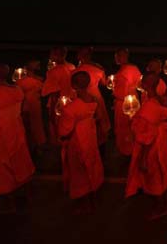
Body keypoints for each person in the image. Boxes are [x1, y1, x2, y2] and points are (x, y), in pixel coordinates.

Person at [126, 72, 167, 220]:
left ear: (146, 85)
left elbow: (146, 136)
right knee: (162, 173)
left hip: (152, 147)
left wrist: (142, 158)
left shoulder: (149, 106)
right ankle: (165, 204)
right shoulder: (159, 100)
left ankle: (161, 207)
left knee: (154, 177)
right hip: (160, 142)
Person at [0, 64, 35, 213]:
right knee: (20, 163)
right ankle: (26, 195)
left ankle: (10, 204)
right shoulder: (17, 90)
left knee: (3, 170)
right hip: (16, 131)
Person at [57, 71, 104, 214]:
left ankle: (85, 204)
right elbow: (98, 118)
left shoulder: (71, 109)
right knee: (91, 165)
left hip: (76, 142)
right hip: (90, 138)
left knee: (79, 173)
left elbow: (64, 131)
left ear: (73, 85)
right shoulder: (94, 100)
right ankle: (93, 198)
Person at [75, 47, 111, 150]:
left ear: (79, 56)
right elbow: (104, 83)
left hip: (81, 97)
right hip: (96, 95)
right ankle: (101, 146)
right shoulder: (98, 69)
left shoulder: (76, 71)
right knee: (99, 122)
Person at [113, 48, 142, 156]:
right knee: (123, 128)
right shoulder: (127, 69)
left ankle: (129, 152)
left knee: (127, 128)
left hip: (127, 103)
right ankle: (127, 151)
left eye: (120, 55)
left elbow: (131, 86)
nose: (117, 58)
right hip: (124, 101)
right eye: (116, 55)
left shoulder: (129, 69)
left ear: (126, 56)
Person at [41, 46, 74, 144]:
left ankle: (60, 155)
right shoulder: (72, 67)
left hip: (59, 105)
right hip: (72, 102)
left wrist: (52, 113)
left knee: (58, 131)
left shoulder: (53, 72)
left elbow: (54, 93)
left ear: (55, 56)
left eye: (51, 54)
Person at [17, 60, 46, 150]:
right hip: (26, 104)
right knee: (28, 125)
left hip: (35, 104)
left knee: (36, 124)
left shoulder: (38, 79)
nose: (38, 65)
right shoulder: (22, 80)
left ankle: (38, 145)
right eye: (35, 62)